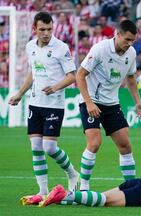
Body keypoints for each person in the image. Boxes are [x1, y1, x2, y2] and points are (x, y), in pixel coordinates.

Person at [8, 12, 79, 198]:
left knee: (49, 148)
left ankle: (72, 173)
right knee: (36, 148)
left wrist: (55, 87)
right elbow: (33, 72)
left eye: (49, 29)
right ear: (35, 29)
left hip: (54, 105)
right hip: (34, 104)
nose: (46, 33)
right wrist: (19, 94)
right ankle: (43, 191)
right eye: (42, 29)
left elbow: (72, 75)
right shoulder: (30, 46)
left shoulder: (61, 48)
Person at [76, 19, 141, 191]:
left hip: (112, 104)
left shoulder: (130, 53)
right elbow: (80, 75)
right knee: (94, 143)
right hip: (92, 101)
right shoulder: (100, 49)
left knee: (125, 144)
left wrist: (138, 102)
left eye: (133, 41)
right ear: (118, 34)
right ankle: (83, 186)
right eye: (127, 40)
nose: (130, 44)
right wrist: (89, 103)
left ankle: (131, 187)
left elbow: (130, 78)